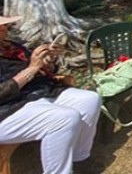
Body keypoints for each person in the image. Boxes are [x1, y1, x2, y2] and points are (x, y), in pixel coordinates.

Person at [0, 15, 101, 174]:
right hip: (7, 110)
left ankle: (79, 159)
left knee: (90, 100)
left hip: (34, 94)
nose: (4, 29)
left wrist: (47, 61)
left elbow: (40, 71)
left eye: (4, 26)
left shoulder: (10, 47)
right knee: (65, 118)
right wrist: (30, 70)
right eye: (0, 27)